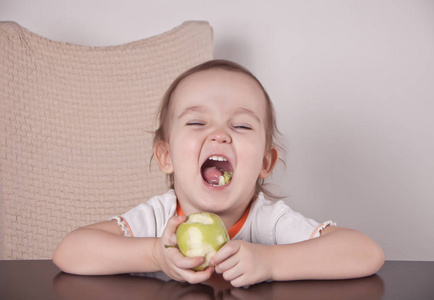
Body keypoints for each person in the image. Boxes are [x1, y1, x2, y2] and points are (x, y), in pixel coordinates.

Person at [53, 60, 384, 287]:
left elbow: (366, 253)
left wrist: (271, 262)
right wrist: (156, 254)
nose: (219, 134)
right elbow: (70, 251)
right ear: (166, 156)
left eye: (240, 125)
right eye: (197, 122)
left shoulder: (269, 222)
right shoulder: (160, 219)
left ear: (265, 164)